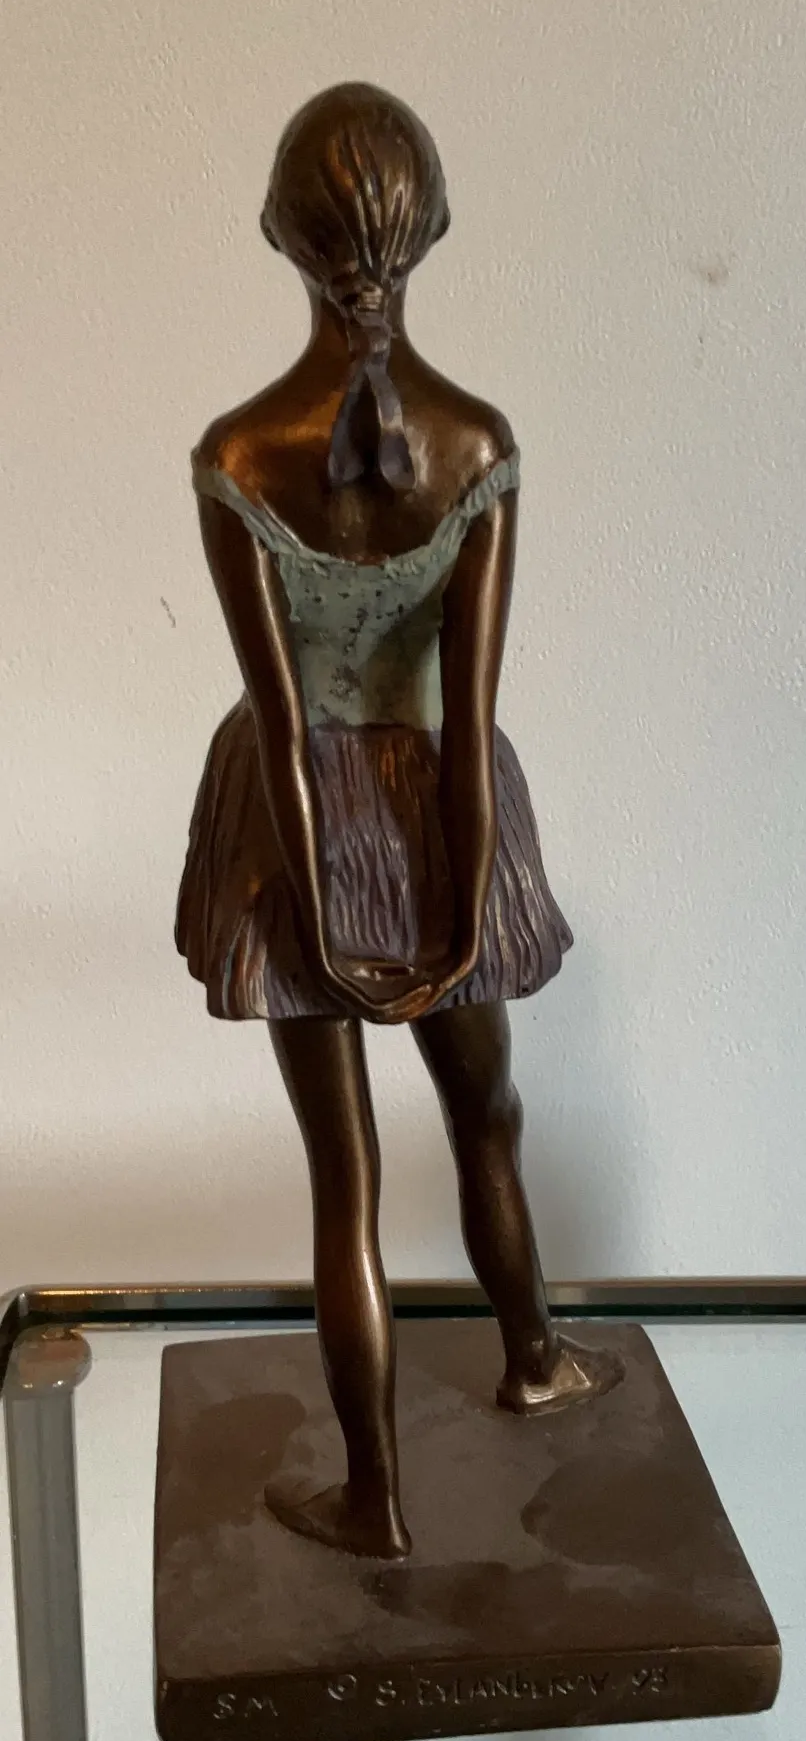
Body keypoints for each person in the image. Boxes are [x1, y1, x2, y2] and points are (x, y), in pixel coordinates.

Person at [177, 82, 620, 1559]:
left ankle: (374, 1501)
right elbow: (468, 723)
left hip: (294, 830)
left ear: (277, 239)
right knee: (486, 1113)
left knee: (346, 1178)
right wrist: (457, 919)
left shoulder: (238, 456)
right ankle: (532, 1355)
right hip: (440, 820)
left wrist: (318, 924)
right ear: (430, 232)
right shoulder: (476, 443)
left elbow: (283, 727)